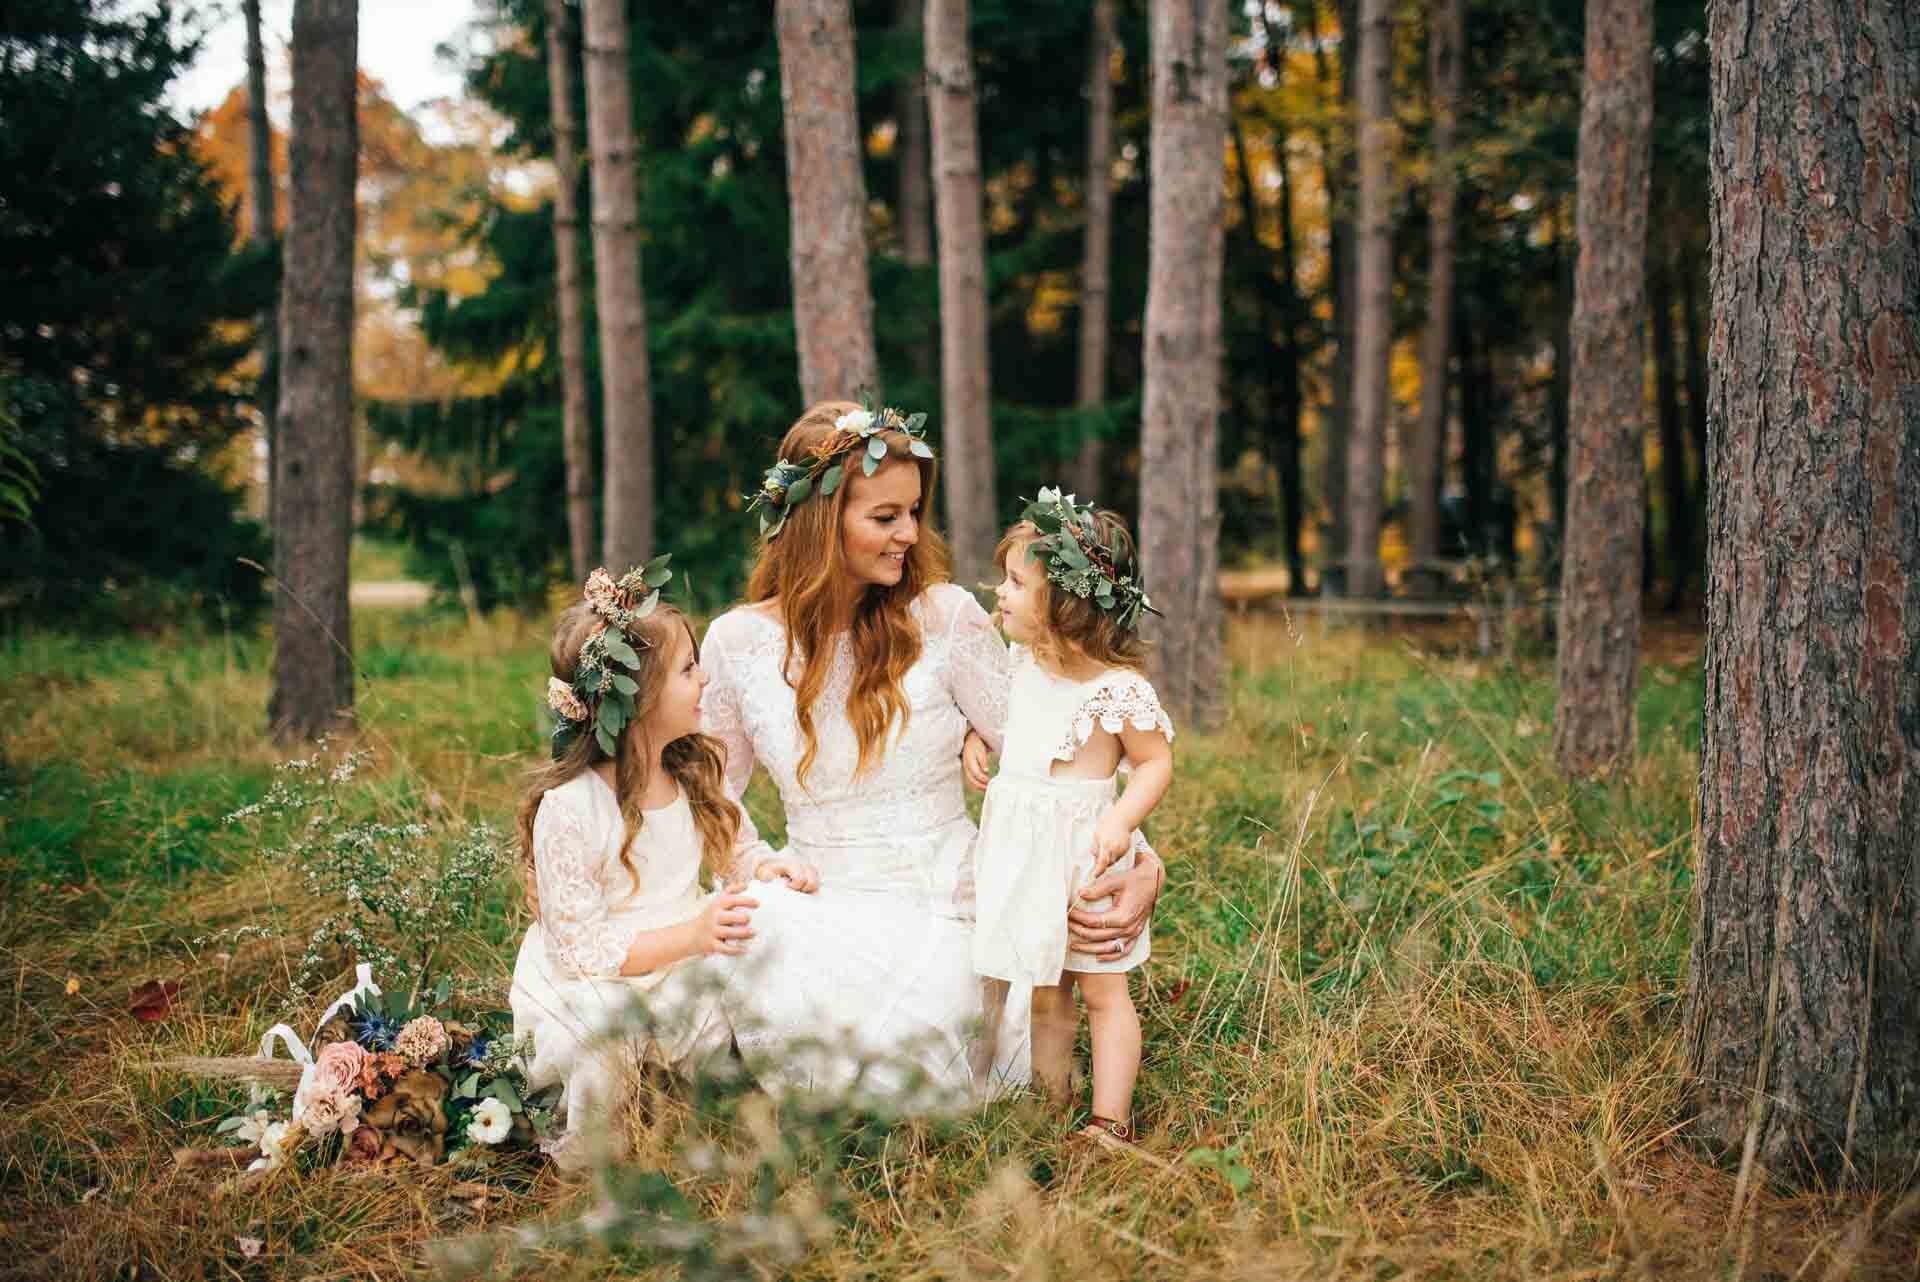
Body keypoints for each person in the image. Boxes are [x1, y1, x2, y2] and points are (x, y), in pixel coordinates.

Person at [509, 562, 819, 1166]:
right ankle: (595, 1160)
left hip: (684, 960)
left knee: (778, 929)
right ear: (638, 698)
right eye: (687, 669)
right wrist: (692, 936)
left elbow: (739, 855)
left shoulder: (698, 771)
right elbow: (580, 953)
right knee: (609, 1026)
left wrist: (767, 871)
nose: (705, 678)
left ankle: (760, 1108)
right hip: (602, 981)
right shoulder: (571, 808)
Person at [972, 489, 1174, 1146]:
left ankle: (1109, 1123)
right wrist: (977, 743)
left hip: (1085, 854)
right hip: (1023, 852)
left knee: (1101, 991)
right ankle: (1050, 1103)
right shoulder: (1021, 663)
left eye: (1015, 582)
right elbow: (1011, 733)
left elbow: (1154, 764)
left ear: (1065, 603)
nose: (998, 592)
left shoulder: (1116, 690)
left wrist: (1121, 822)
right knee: (1046, 988)